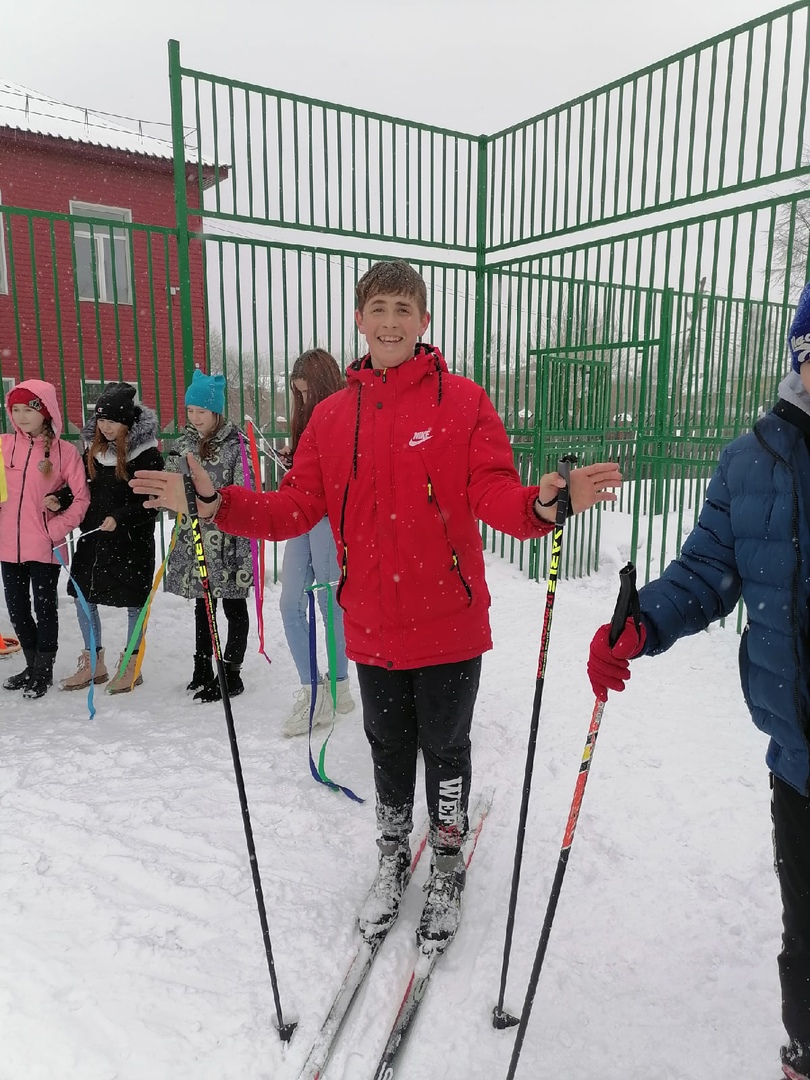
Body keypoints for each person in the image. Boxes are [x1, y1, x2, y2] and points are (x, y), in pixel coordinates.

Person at [132, 260, 622, 951]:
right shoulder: (332, 418)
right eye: (378, 308)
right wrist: (215, 503)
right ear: (359, 319)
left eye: (404, 308)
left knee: (445, 750)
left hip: (450, 625)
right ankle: (394, 855)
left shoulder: (465, 403)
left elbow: (495, 497)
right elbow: (294, 507)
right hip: (371, 626)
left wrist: (543, 505)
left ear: (425, 321)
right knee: (388, 749)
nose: (391, 321)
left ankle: (445, 859)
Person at [586, 281, 810, 1080]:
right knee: (809, 936)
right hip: (801, 758)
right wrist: (639, 624)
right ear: (800, 358)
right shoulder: (752, 462)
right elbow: (707, 574)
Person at [55, 383, 164, 695]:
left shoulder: (147, 455)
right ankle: (94, 661)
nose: (105, 426)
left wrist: (120, 517)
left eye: (112, 421)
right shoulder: (93, 450)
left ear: (127, 422)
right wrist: (61, 499)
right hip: (94, 539)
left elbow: (151, 501)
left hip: (130, 542)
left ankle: (131, 664)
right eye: (101, 420)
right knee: (82, 596)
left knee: (133, 603)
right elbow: (84, 487)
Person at [164, 369, 253, 703]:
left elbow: (246, 490)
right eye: (190, 411)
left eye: (201, 411)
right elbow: (171, 485)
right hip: (195, 536)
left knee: (232, 605)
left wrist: (214, 500)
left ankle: (231, 672)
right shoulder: (183, 444)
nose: (195, 417)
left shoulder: (236, 446)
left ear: (216, 411)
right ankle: (202, 667)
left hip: (228, 538)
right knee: (204, 606)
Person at [279, 349, 355, 737]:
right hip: (300, 513)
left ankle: (339, 686)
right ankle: (314, 691)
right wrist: (294, 466)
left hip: (328, 518)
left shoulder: (343, 412)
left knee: (330, 601)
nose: (303, 400)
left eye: (308, 391)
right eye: (298, 393)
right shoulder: (305, 417)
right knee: (289, 601)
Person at [0, 380, 89, 698]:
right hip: (9, 545)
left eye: (29, 409)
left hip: (46, 546)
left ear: (46, 411)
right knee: (17, 609)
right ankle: (30, 663)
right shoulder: (3, 446)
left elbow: (81, 499)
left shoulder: (64, 453)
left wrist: (56, 529)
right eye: (16, 410)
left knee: (44, 608)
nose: (22, 416)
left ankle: (43, 671)